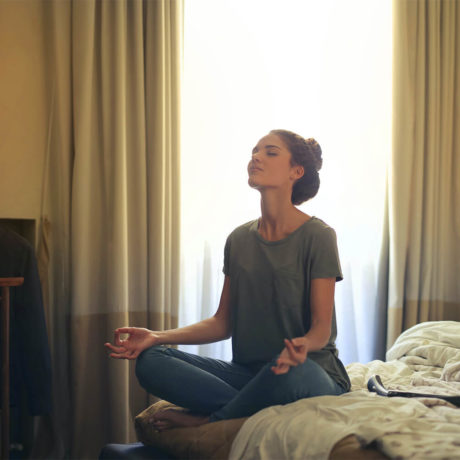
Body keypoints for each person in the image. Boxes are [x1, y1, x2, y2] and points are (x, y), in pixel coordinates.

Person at [105, 129, 351, 431]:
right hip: (248, 375)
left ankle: (211, 420)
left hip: (306, 371)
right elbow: (223, 323)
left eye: (270, 152)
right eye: (254, 152)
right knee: (152, 360)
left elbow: (321, 329)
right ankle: (247, 407)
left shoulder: (319, 236)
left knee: (289, 373)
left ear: (296, 172)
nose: (256, 157)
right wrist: (157, 336)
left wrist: (302, 344)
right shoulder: (238, 239)